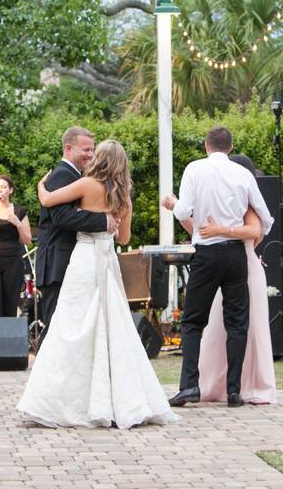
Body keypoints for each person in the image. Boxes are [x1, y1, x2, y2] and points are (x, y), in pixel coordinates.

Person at [17, 140, 177, 429]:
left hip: (84, 259)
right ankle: (117, 399)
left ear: (99, 159)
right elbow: (125, 239)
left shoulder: (87, 185)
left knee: (73, 323)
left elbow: (48, 201)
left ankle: (64, 400)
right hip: (108, 259)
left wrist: (42, 186)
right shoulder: (125, 197)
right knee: (112, 325)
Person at [161, 126, 273, 408]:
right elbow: (266, 218)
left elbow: (184, 211)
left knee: (192, 322)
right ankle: (234, 391)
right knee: (237, 323)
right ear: (231, 147)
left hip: (207, 254)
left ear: (206, 146)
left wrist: (173, 206)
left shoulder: (194, 169)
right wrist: (249, 237)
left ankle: (189, 386)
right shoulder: (244, 174)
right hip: (236, 255)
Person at [195, 154, 276, 405]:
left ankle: (248, 384)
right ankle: (220, 384)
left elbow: (254, 234)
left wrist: (222, 230)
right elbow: (200, 230)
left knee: (250, 329)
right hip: (233, 266)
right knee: (217, 331)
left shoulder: (248, 206)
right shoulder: (229, 207)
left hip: (246, 267)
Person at [34, 127, 118, 338]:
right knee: (56, 327)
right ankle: (46, 371)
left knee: (65, 327)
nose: (90, 155)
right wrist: (103, 220)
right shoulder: (63, 174)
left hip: (66, 261)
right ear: (68, 148)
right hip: (57, 262)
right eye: (86, 150)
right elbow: (62, 217)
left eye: (92, 150)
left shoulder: (75, 176)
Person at [0, 174, 32, 317]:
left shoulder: (19, 211)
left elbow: (27, 240)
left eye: (3, 187)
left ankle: (7, 338)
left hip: (12, 262)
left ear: (11, 190)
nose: (0, 190)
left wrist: (18, 224)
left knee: (10, 304)